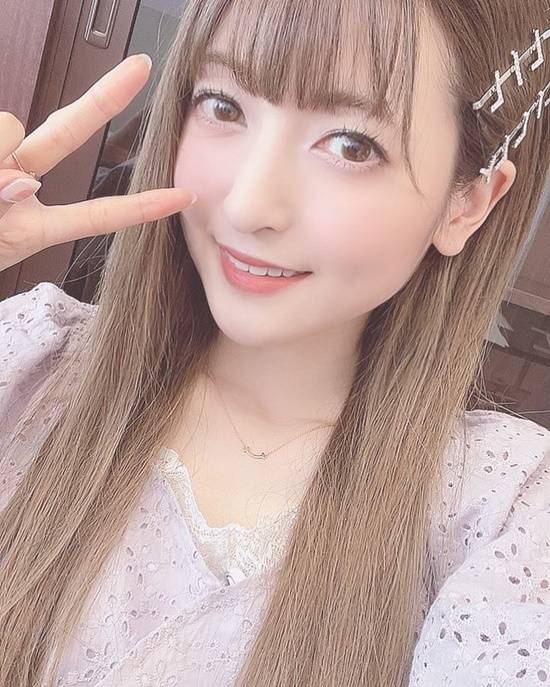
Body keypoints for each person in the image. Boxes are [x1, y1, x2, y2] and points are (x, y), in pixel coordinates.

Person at [0, 1, 549, 685]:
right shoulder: (26, 367)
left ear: (467, 203)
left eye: (351, 145)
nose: (248, 205)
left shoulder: (502, 514)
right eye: (223, 107)